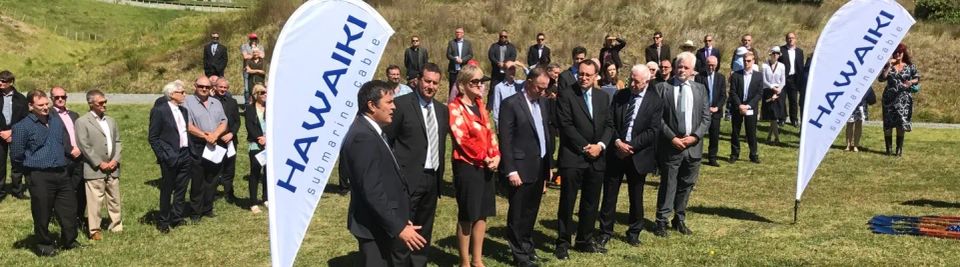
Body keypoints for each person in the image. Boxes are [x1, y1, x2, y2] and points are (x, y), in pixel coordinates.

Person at [342, 80, 426, 266]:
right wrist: (398, 227)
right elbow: (371, 191)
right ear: (372, 105)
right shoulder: (363, 137)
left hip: (383, 223)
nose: (394, 107)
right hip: (373, 227)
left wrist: (399, 220)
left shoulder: (374, 131)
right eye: (389, 102)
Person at [383, 63, 449, 267]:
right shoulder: (401, 105)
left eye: (435, 83)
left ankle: (419, 263)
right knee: (405, 227)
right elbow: (387, 141)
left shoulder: (442, 110)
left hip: (432, 177)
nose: (431, 86)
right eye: (427, 81)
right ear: (418, 80)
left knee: (424, 228)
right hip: (407, 178)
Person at [598, 64, 663, 248]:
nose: (633, 84)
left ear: (647, 81)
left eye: (637, 81)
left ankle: (634, 231)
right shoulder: (620, 95)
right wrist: (618, 142)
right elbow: (610, 121)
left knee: (636, 195)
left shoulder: (655, 101)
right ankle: (605, 231)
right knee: (609, 194)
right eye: (631, 80)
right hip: (616, 152)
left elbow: (653, 130)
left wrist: (631, 146)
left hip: (638, 154)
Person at [554, 59, 613, 259]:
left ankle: (584, 240)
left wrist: (600, 146)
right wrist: (586, 147)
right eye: (581, 74)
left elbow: (609, 125)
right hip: (573, 157)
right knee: (567, 201)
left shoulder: (603, 97)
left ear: (596, 76)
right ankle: (562, 242)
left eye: (588, 75)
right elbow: (566, 125)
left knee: (591, 201)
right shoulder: (566, 94)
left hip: (597, 158)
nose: (584, 78)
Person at [497, 67, 553, 266]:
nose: (543, 92)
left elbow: (545, 133)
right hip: (520, 168)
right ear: (529, 82)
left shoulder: (543, 103)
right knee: (518, 212)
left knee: (531, 210)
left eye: (545, 88)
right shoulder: (511, 104)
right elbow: (505, 140)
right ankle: (519, 254)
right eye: (540, 87)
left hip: (539, 165)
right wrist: (511, 169)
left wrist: (548, 165)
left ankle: (528, 246)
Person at [12, 90, 79, 256]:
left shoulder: (56, 122)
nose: (45, 107)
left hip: (61, 172)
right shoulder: (22, 127)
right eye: (40, 105)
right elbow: (16, 155)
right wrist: (30, 172)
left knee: (69, 210)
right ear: (30, 106)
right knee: (42, 212)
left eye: (46, 104)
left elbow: (62, 144)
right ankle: (44, 245)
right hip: (39, 175)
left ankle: (70, 241)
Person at [653, 52, 710, 238]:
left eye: (686, 67)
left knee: (687, 184)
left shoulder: (700, 89)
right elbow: (658, 118)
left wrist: (695, 137)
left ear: (693, 70)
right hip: (671, 146)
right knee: (668, 183)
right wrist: (672, 138)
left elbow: (706, 117)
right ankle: (662, 220)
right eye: (679, 66)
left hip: (693, 147)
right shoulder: (663, 88)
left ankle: (679, 218)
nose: (682, 70)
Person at [448, 64, 500, 267]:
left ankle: (477, 260)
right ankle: (465, 262)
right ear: (462, 85)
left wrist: (496, 156)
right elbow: (462, 139)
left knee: (482, 213)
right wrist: (484, 157)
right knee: (468, 214)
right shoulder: (455, 108)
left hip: (486, 166)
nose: (480, 85)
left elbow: (490, 133)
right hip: (468, 166)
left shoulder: (481, 105)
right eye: (475, 82)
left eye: (482, 81)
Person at [75, 89, 122, 241]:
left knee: (114, 198)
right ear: (90, 103)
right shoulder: (82, 122)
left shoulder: (111, 121)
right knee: (95, 201)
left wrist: (115, 159)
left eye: (105, 102)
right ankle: (94, 230)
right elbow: (84, 145)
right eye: (100, 102)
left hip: (113, 167)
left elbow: (117, 141)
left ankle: (116, 225)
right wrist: (99, 163)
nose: (104, 105)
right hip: (94, 168)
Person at [149, 80, 192, 234]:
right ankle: (164, 221)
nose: (185, 94)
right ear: (172, 94)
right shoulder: (160, 111)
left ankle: (177, 217)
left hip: (185, 154)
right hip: (170, 156)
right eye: (182, 92)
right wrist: (162, 156)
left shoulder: (183, 111)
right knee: (167, 189)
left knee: (181, 188)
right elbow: (153, 137)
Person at [185, 75, 227, 223]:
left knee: (213, 178)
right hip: (198, 145)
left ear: (211, 88)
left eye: (207, 87)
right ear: (195, 86)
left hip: (215, 143)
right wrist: (205, 135)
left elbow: (224, 121)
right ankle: (195, 212)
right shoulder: (187, 102)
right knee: (198, 179)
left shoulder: (216, 102)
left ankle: (208, 208)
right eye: (201, 86)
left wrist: (215, 135)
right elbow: (188, 125)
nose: (204, 89)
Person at [50, 87, 84, 231]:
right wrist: (70, 150)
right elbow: (54, 137)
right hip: (63, 158)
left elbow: (81, 134)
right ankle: (61, 218)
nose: (60, 99)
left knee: (79, 189)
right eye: (56, 97)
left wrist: (80, 148)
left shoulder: (74, 115)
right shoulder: (49, 115)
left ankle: (78, 217)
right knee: (63, 191)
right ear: (51, 98)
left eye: (63, 97)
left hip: (79, 157)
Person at [879, 43, 919, 157]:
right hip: (889, 99)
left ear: (903, 53)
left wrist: (910, 82)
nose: (897, 54)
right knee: (888, 124)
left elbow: (917, 78)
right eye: (895, 52)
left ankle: (899, 149)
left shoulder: (910, 66)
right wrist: (889, 66)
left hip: (904, 100)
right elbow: (881, 79)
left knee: (901, 123)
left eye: (899, 52)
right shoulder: (888, 66)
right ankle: (888, 149)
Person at [728, 52, 763, 164]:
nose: (746, 63)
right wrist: (740, 105)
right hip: (738, 107)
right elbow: (732, 92)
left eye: (749, 61)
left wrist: (748, 106)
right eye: (745, 61)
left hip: (751, 107)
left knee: (751, 132)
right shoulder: (736, 75)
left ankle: (753, 154)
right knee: (735, 131)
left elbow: (759, 93)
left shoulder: (758, 76)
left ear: (753, 61)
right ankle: (734, 154)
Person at [0, 70, 28, 200]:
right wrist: (2, 132)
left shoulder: (20, 98)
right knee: (0, 164)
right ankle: (1, 192)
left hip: (15, 134)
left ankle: (17, 190)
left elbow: (25, 118)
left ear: (11, 82)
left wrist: (12, 131)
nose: (0, 83)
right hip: (0, 134)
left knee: (17, 163)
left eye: (3, 81)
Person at [694, 56, 727, 167]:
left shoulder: (721, 78)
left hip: (716, 112)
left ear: (716, 65)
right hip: (703, 111)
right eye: (709, 65)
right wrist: (706, 108)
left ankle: (712, 158)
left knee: (714, 136)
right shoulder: (699, 77)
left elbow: (723, 95)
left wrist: (717, 107)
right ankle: (696, 156)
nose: (711, 67)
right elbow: (697, 94)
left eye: (713, 65)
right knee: (699, 134)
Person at [213, 78, 241, 203]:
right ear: (215, 87)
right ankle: (212, 192)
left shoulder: (232, 102)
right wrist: (217, 135)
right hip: (216, 140)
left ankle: (229, 193)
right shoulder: (210, 101)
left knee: (230, 168)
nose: (223, 89)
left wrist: (231, 134)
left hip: (230, 140)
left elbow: (237, 121)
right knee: (215, 167)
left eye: (225, 87)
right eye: (221, 87)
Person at [245, 84, 268, 213]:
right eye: (262, 92)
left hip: (269, 144)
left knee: (268, 172)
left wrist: (268, 138)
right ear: (256, 95)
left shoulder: (270, 108)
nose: (265, 95)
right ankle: (253, 202)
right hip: (256, 144)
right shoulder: (250, 109)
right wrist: (260, 138)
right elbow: (249, 126)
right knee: (255, 173)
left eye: (266, 92)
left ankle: (266, 198)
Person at [761, 47, 787, 144]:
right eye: (774, 53)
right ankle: (776, 138)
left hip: (779, 92)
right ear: (771, 54)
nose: (775, 55)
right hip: (768, 91)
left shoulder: (782, 66)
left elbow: (783, 80)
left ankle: (772, 137)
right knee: (772, 116)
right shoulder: (764, 65)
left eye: (777, 53)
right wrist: (772, 88)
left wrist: (779, 89)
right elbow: (764, 80)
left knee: (774, 116)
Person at [779, 32, 805, 126]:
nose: (791, 40)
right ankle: (782, 118)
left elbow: (801, 66)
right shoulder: (781, 50)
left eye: (792, 38)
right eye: (789, 38)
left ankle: (794, 119)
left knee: (793, 100)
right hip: (782, 78)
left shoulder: (799, 51)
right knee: (782, 99)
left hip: (794, 79)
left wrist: (801, 80)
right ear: (786, 39)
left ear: (795, 39)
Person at [491, 61, 524, 125]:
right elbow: (496, 108)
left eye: (514, 68)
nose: (513, 71)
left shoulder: (520, 84)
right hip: (507, 121)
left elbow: (533, 80)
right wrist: (497, 125)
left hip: (520, 121)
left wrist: (523, 66)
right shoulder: (499, 87)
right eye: (510, 69)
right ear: (505, 70)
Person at [845, 87, 876, 152]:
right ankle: (848, 145)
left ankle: (855, 146)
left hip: (862, 105)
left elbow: (872, 99)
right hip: (850, 104)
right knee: (849, 124)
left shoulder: (867, 85)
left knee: (858, 125)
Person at [240, 33, 265, 106]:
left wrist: (251, 54)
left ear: (257, 39)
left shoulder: (260, 46)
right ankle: (247, 105)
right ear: (249, 39)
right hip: (247, 69)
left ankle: (258, 103)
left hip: (258, 69)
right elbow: (245, 56)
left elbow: (262, 56)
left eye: (255, 39)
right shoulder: (244, 46)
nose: (253, 40)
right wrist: (255, 54)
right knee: (247, 89)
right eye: (252, 39)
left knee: (259, 88)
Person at [446, 27, 474, 92]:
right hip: (453, 70)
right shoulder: (451, 43)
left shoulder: (468, 43)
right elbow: (448, 55)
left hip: (464, 69)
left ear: (463, 33)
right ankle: (452, 98)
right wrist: (455, 59)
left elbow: (470, 55)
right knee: (452, 87)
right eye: (457, 32)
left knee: (463, 87)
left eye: (460, 32)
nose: (458, 34)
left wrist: (463, 60)